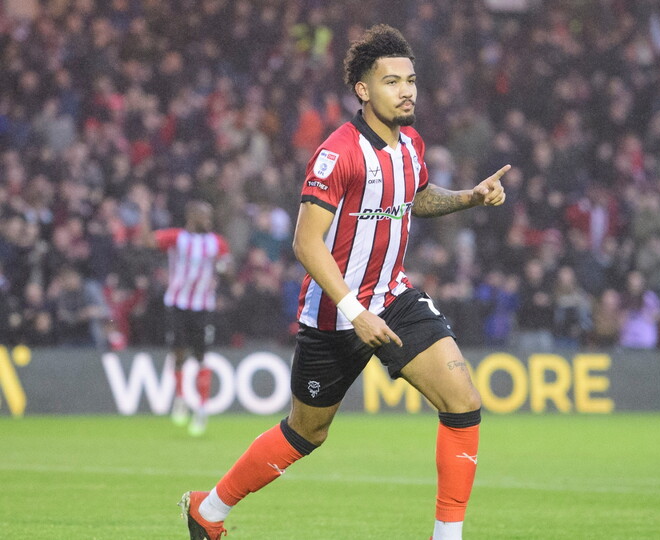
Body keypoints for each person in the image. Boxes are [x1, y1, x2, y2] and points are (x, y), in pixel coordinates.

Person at [178, 24, 508, 540]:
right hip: (337, 314)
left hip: (394, 297)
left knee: (463, 401)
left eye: (411, 80)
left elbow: (415, 198)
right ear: (363, 89)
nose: (407, 91)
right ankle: (209, 510)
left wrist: (470, 195)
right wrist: (357, 312)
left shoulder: (411, 144)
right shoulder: (338, 154)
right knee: (307, 432)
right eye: (392, 81)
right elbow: (305, 244)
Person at [139, 197, 231, 437]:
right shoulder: (177, 238)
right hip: (177, 304)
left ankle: (201, 408)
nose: (208, 220)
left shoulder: (216, 243)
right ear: (192, 217)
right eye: (204, 215)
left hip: (203, 307)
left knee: (202, 356)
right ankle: (180, 396)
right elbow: (147, 241)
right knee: (178, 353)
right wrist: (145, 212)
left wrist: (224, 268)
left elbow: (228, 266)